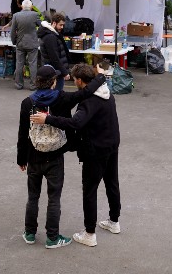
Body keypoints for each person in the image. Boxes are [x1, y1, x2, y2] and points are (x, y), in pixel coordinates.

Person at [30, 65, 121, 248]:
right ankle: (114, 221)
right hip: (111, 144)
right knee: (112, 182)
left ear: (80, 80)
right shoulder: (106, 93)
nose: (72, 81)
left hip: (95, 151)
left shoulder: (89, 101)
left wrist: (47, 119)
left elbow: (76, 123)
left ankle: (89, 233)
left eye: (74, 79)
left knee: (90, 190)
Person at [12, 0, 41, 91]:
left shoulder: (16, 15)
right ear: (31, 7)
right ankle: (33, 85)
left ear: (22, 6)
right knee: (33, 64)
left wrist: (14, 41)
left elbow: (13, 31)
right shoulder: (35, 15)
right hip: (32, 43)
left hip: (20, 42)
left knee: (19, 64)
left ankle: (19, 84)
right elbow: (41, 26)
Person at [38, 12, 71, 92]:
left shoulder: (53, 34)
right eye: (60, 25)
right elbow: (54, 57)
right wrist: (64, 72)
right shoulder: (50, 37)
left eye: (63, 25)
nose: (62, 27)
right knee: (56, 95)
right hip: (55, 73)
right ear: (54, 23)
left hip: (55, 71)